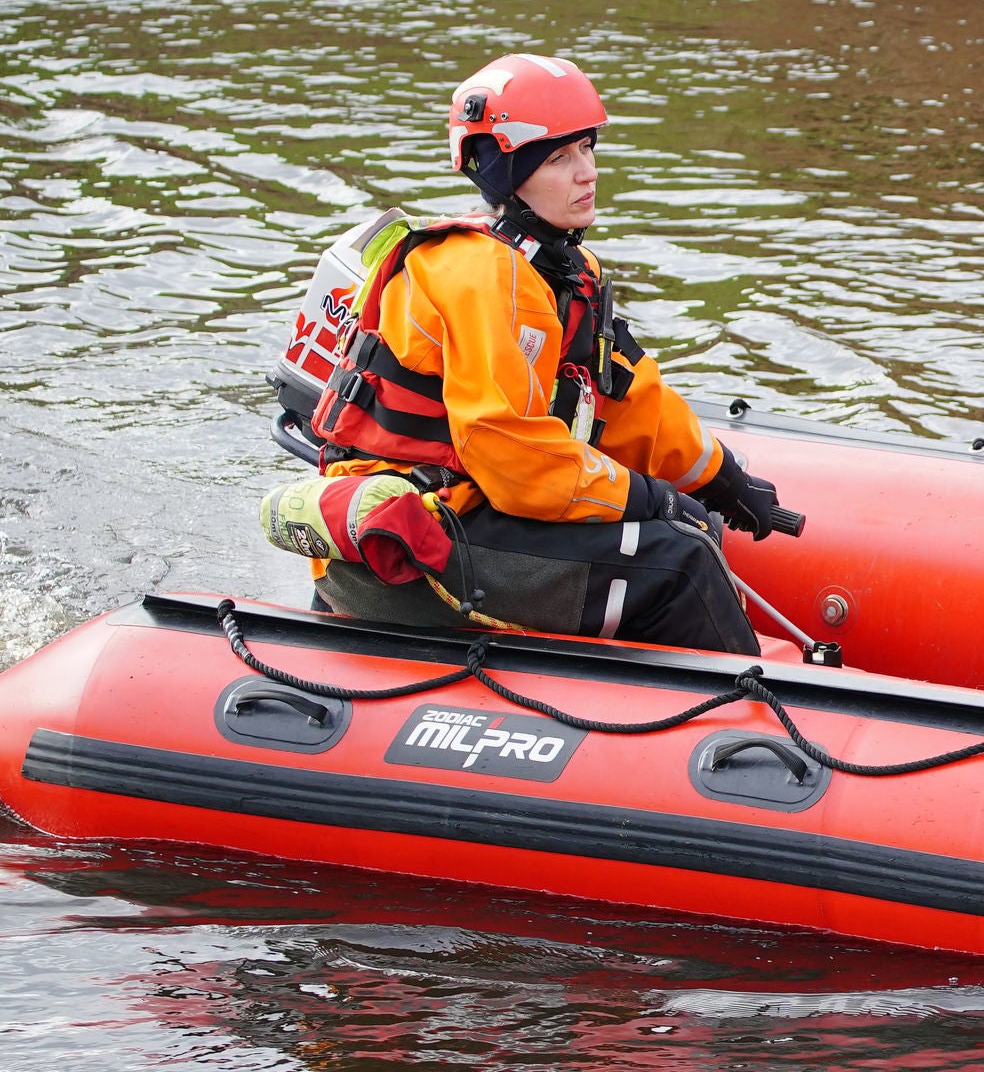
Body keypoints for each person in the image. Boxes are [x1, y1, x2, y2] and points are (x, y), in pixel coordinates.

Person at [293, 53, 789, 651]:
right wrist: (649, 497)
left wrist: (721, 479)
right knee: (678, 564)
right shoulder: (483, 275)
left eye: (587, 149)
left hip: (472, 514)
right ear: (507, 176)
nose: (587, 173)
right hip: (413, 541)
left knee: (696, 528)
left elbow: (628, 400)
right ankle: (758, 727)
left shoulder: (561, 270)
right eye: (559, 158)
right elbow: (510, 454)